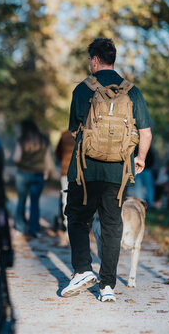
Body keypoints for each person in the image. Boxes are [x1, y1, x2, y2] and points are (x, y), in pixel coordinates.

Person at [60, 38, 152, 302]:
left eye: (90, 59)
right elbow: (145, 133)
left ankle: (82, 269)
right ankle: (107, 286)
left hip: (85, 171)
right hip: (118, 173)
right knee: (112, 224)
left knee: (78, 217)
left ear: (95, 60)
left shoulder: (83, 89)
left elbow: (74, 129)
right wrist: (141, 158)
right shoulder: (132, 92)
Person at [13, 119, 55, 238]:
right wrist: (46, 171)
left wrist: (21, 164)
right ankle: (34, 229)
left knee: (21, 201)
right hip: (38, 174)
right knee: (35, 202)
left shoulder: (22, 140)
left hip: (23, 174)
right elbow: (48, 159)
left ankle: (20, 228)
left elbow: (16, 158)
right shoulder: (43, 140)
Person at [54, 130, 75, 230]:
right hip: (83, 173)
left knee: (65, 199)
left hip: (66, 171)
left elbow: (57, 153)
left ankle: (67, 226)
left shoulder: (64, 134)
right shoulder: (88, 132)